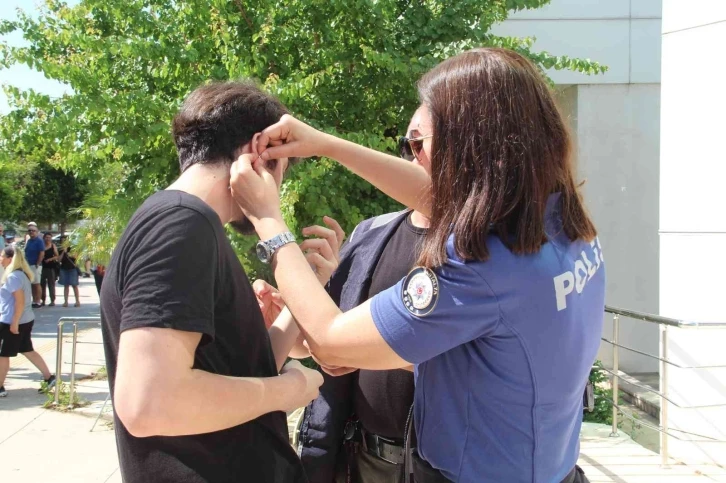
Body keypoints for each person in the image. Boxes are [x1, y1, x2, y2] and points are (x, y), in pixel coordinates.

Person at [230, 47, 605, 483]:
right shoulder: (557, 222)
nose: (417, 157)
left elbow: (331, 342)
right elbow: (442, 199)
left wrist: (268, 220)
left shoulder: (481, 268)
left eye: (424, 143)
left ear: (473, 149)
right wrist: (324, 145)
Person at [100, 80, 328, 483]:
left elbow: (241, 371)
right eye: (283, 170)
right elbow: (148, 403)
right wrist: (287, 391)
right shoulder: (182, 223)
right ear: (260, 151)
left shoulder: (188, 223)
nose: (279, 186)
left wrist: (305, 290)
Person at [286, 113, 430, 483]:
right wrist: (288, 313)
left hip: (444, 466)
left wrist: (362, 351)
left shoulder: (477, 250)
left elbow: (471, 359)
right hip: (364, 459)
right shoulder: (370, 234)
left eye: (421, 143)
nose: (412, 155)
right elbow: (315, 345)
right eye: (407, 145)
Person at [0, 246, 56, 397]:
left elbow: (19, 302)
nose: (0, 259)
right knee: (27, 350)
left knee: (3, 354)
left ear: (10, 259)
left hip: (12, 321)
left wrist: (14, 323)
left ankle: (0, 387)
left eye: (2, 256)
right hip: (25, 319)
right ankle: (49, 378)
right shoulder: (21, 274)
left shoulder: (13, 277)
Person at [24, 222, 45, 308]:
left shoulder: (39, 241)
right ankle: (34, 300)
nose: (31, 232)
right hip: (28, 264)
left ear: (37, 231)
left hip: (35, 265)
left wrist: (38, 263)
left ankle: (38, 301)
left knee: (37, 283)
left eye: (33, 230)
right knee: (32, 284)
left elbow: (42, 252)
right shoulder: (29, 241)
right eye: (29, 230)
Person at [58, 240, 81, 307]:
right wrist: (63, 252)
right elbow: (59, 260)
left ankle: (77, 301)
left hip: (72, 269)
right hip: (64, 269)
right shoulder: (60, 250)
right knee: (66, 285)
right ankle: (66, 302)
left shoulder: (73, 248)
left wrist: (68, 253)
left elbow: (75, 257)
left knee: (74, 285)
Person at [40, 232, 59, 307]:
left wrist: (50, 259)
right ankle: (43, 300)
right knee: (42, 284)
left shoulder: (53, 246)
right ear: (44, 238)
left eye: (49, 237)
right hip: (42, 267)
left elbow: (57, 256)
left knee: (51, 284)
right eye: (46, 237)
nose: (48, 239)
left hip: (51, 267)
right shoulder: (41, 246)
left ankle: (52, 300)